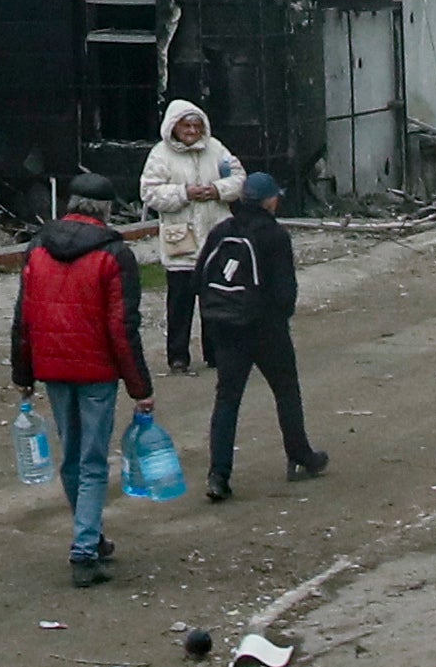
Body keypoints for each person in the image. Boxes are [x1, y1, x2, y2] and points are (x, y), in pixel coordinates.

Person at [9, 199, 154, 586]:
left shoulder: (38, 248)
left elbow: (24, 317)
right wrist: (140, 387)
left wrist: (23, 374)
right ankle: (85, 549)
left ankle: (88, 534)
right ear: (104, 211)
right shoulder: (114, 254)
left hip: (53, 368)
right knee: (92, 460)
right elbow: (123, 326)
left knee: (71, 455)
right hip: (97, 372)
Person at [193, 175, 326, 499]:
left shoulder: (222, 230)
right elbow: (285, 291)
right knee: (285, 390)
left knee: (227, 399)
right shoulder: (274, 235)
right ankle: (299, 455)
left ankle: (218, 475)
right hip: (266, 328)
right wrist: (278, 318)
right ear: (269, 201)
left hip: (226, 326)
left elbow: (200, 275)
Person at [137, 102, 238, 370]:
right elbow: (149, 192)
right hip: (180, 239)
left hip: (215, 237)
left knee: (215, 300)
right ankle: (178, 356)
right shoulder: (161, 155)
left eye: (196, 126)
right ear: (175, 127)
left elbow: (239, 179)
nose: (192, 131)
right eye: (187, 126)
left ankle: (215, 353)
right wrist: (184, 193)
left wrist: (217, 190)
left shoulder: (216, 149)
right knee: (179, 304)